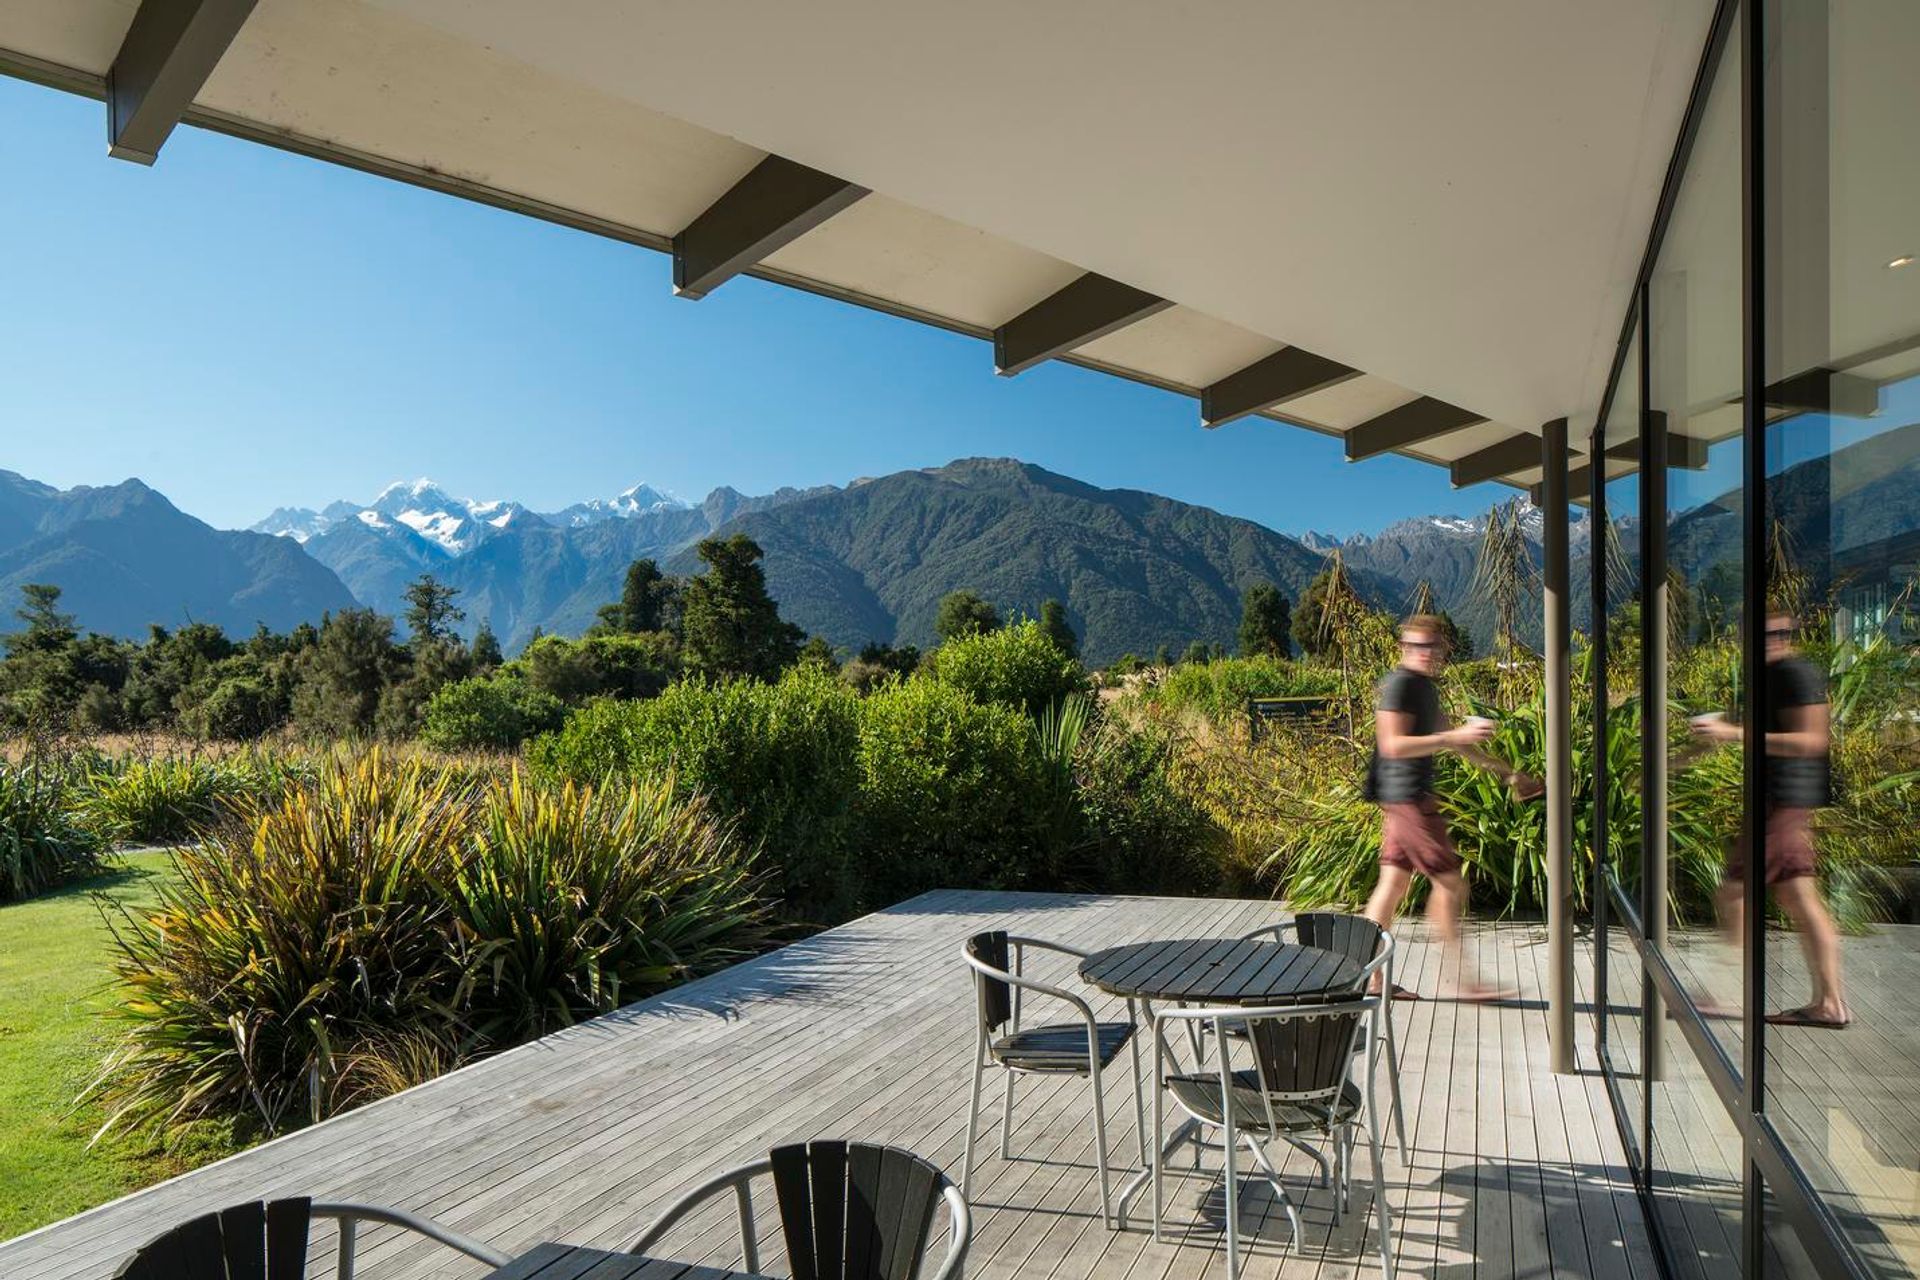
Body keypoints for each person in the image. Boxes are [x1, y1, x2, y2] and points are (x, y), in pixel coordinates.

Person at [1362, 614, 1542, 1001]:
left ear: (1442, 648)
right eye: (1417, 646)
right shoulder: (1400, 686)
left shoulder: (1425, 688)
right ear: (1404, 649)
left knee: (1392, 885)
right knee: (1450, 883)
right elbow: (1393, 745)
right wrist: (1449, 736)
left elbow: (1457, 743)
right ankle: (1461, 980)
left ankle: (1372, 980)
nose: (1426, 653)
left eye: (1433, 646)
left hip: (1406, 798)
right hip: (1407, 797)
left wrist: (1509, 774)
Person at [1689, 609, 1847, 1029]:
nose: (1768, 639)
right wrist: (1686, 754)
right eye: (1758, 631)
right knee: (1798, 899)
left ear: (1791, 635)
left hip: (1784, 801)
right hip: (1776, 800)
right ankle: (1829, 1002)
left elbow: (1812, 741)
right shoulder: (1763, 676)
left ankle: (1724, 993)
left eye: (1778, 632)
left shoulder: (1797, 674)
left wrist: (1733, 733)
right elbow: (1748, 732)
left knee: (1735, 892)